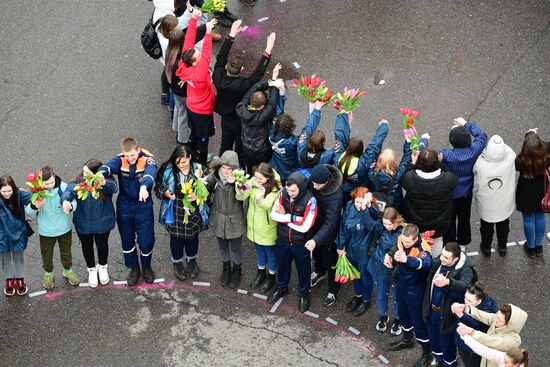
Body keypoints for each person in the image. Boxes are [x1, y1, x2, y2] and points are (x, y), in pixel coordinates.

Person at [213, 20, 275, 162]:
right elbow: (257, 75)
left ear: (226, 67)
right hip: (239, 121)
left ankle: (221, 166)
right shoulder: (242, 85)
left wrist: (231, 35)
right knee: (239, 150)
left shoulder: (217, 78)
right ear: (241, 70)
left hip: (225, 119)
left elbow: (221, 58)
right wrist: (268, 49)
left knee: (225, 146)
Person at [100, 138, 158, 285]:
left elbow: (150, 173)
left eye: (132, 155)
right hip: (125, 207)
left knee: (146, 241)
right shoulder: (120, 160)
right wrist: (100, 175)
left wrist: (144, 187)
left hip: (143, 207)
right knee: (127, 241)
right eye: (127, 156)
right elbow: (107, 167)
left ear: (138, 150)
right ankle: (133, 268)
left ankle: (146, 267)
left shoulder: (147, 159)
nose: (130, 159)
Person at [62, 160, 118, 288]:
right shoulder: (80, 181)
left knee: (102, 245)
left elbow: (113, 188)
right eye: (84, 171)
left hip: (102, 223)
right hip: (83, 222)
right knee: (87, 247)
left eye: (87, 172)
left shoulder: (105, 179)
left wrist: (103, 182)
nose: (84, 174)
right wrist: (65, 200)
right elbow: (69, 190)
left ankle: (103, 267)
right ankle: (92, 269)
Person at [155, 144, 206, 281]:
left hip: (193, 212)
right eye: (177, 162)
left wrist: (199, 196)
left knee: (193, 238)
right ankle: (177, 262)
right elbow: (158, 188)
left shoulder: (200, 170)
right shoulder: (168, 169)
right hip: (175, 210)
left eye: (183, 162)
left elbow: (209, 187)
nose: (181, 165)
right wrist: (164, 192)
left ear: (190, 157)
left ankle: (191, 260)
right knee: (176, 239)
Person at [268, 172, 318, 312]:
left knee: (304, 269)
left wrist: (285, 216)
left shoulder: (310, 200)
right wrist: (295, 218)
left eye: (293, 190)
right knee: (282, 266)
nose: (289, 193)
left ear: (301, 188)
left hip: (301, 243)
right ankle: (282, 287)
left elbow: (305, 226)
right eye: (288, 189)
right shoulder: (283, 192)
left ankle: (304, 293)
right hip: (283, 239)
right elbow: (273, 215)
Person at [385, 223, 433, 367]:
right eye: (403, 240)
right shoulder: (402, 239)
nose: (404, 243)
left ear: (415, 239)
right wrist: (389, 257)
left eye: (407, 242)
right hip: (402, 283)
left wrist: (407, 260)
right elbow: (396, 249)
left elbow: (425, 264)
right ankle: (407, 340)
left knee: (418, 320)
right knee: (402, 313)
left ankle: (427, 353)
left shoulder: (423, 249)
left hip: (415, 288)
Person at [25, 166, 80, 289]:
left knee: (66, 252)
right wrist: (35, 205)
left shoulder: (64, 187)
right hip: (46, 231)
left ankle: (67, 270)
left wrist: (70, 206)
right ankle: (48, 273)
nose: (49, 185)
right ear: (40, 182)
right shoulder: (37, 191)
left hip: (64, 228)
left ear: (54, 177)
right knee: (47, 254)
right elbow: (29, 211)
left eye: (51, 182)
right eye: (46, 183)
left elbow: (74, 201)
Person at [422, 242, 475, 367]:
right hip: (432, 313)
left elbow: (464, 290)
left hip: (447, 317)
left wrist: (448, 283)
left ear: (455, 259)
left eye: (446, 257)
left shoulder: (466, 270)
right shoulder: (437, 263)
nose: (442, 259)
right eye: (442, 255)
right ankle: (439, 362)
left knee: (447, 347)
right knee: (434, 343)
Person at [176, 8, 218, 164]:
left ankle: (191, 150)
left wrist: (193, 19)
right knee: (203, 138)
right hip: (203, 111)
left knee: (194, 133)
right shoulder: (199, 73)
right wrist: (207, 33)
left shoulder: (183, 65)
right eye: (197, 56)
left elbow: (188, 41)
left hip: (191, 106)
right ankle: (200, 159)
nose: (200, 55)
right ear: (194, 62)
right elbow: (206, 53)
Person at [440, 117, 488, 249]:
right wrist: (466, 124)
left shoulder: (446, 155)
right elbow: (482, 135)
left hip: (449, 194)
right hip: (466, 193)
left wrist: (424, 141)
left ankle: (449, 244)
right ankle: (462, 244)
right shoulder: (474, 151)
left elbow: (426, 155)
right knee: (464, 219)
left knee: (449, 221)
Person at [402, 148, 457, 257]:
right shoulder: (447, 179)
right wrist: (441, 164)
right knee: (436, 251)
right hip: (438, 226)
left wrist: (412, 164)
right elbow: (450, 176)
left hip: (416, 224)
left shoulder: (409, 178)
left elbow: (406, 175)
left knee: (415, 252)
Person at [236, 163, 280, 292]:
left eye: (260, 178)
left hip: (267, 229)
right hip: (254, 226)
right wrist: (240, 191)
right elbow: (243, 194)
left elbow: (267, 205)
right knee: (259, 250)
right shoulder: (252, 182)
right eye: (255, 177)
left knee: (270, 253)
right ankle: (261, 273)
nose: (256, 180)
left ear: (268, 178)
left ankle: (271, 277)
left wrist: (260, 198)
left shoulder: (274, 189)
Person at [204, 151, 246, 288]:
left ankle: (237, 270)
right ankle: (226, 268)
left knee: (236, 247)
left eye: (230, 169)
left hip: (235, 219)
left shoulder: (240, 180)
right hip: (218, 218)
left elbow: (244, 195)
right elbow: (204, 189)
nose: (226, 171)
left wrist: (237, 185)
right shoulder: (213, 178)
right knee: (222, 246)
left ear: (235, 169)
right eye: (224, 168)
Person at [336, 186, 379, 317]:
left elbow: (371, 226)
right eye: (357, 202)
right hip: (350, 248)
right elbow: (343, 227)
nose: (359, 205)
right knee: (355, 274)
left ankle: (366, 300)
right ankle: (358, 295)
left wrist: (365, 209)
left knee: (365, 276)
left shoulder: (372, 211)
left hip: (364, 251)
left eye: (362, 202)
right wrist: (340, 245)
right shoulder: (349, 206)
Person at [305, 164, 343, 307]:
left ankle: (334, 289)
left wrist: (316, 240)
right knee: (317, 256)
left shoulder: (336, 196)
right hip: (314, 228)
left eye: (317, 184)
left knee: (331, 262)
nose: (314, 186)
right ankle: (320, 272)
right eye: (313, 182)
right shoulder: (314, 181)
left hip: (327, 236)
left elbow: (331, 223)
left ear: (327, 182)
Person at [472, 135, 516, 256]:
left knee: (486, 227)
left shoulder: (480, 163)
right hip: (504, 203)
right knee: (503, 226)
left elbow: (474, 171)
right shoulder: (510, 160)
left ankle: (486, 248)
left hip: (486, 204)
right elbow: (510, 151)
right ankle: (502, 247)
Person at [366, 207, 405, 335]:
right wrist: (383, 259)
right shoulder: (380, 228)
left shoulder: (404, 233)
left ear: (396, 221)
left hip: (396, 271)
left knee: (397, 297)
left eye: (389, 224)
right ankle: (383, 316)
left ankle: (398, 319)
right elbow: (375, 244)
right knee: (381, 294)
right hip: (381, 268)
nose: (387, 226)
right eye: (384, 223)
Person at [236, 75, 285, 173]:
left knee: (249, 170)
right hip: (262, 151)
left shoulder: (240, 107)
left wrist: (272, 82)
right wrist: (274, 82)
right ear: (262, 106)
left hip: (246, 147)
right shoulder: (262, 118)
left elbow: (253, 88)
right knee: (262, 171)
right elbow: (272, 102)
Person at [367, 133, 428, 211]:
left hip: (377, 202)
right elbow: (406, 159)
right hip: (395, 203)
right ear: (394, 162)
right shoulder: (399, 174)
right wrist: (409, 141)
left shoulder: (371, 173)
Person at [454, 303, 528, 367]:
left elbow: (492, 341)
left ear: (510, 325)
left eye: (500, 320)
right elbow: (483, 315)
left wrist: (471, 332)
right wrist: (465, 307)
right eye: (497, 316)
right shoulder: (498, 320)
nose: (496, 320)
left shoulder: (513, 340)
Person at [336, 119, 388, 205]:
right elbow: (374, 146)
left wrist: (343, 114)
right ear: (361, 150)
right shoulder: (363, 162)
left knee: (346, 205)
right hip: (359, 190)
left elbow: (339, 135)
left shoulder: (338, 156)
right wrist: (383, 126)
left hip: (342, 189)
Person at [515, 128, 549, 258]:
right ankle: (539, 247)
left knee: (528, 219)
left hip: (525, 193)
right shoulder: (546, 157)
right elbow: (546, 144)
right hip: (542, 190)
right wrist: (534, 135)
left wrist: (529, 135)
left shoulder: (519, 161)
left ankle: (530, 247)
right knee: (540, 217)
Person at [452, 282, 499, 367]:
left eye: (469, 300)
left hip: (474, 349)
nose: (465, 302)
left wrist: (460, 315)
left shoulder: (489, 311)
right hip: (462, 342)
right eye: (465, 298)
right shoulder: (471, 303)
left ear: (479, 301)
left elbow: (479, 325)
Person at [0, 176, 33, 296]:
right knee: (5, 260)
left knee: (18, 259)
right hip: (2, 235)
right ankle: (9, 279)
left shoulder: (19, 194)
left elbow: (33, 199)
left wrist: (37, 198)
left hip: (17, 233)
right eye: (4, 191)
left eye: (9, 190)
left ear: (14, 188)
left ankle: (20, 279)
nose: (7, 193)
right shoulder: (17, 193)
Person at [297, 103, 350, 175]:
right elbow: (340, 142)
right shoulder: (326, 156)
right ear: (323, 143)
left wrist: (317, 109)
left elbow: (307, 129)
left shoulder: (301, 147)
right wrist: (343, 115)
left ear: (309, 141)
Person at [460, 338, 529, 367]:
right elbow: (484, 351)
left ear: (516, 364)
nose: (503, 362)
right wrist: (465, 337)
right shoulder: (503, 357)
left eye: (507, 362)